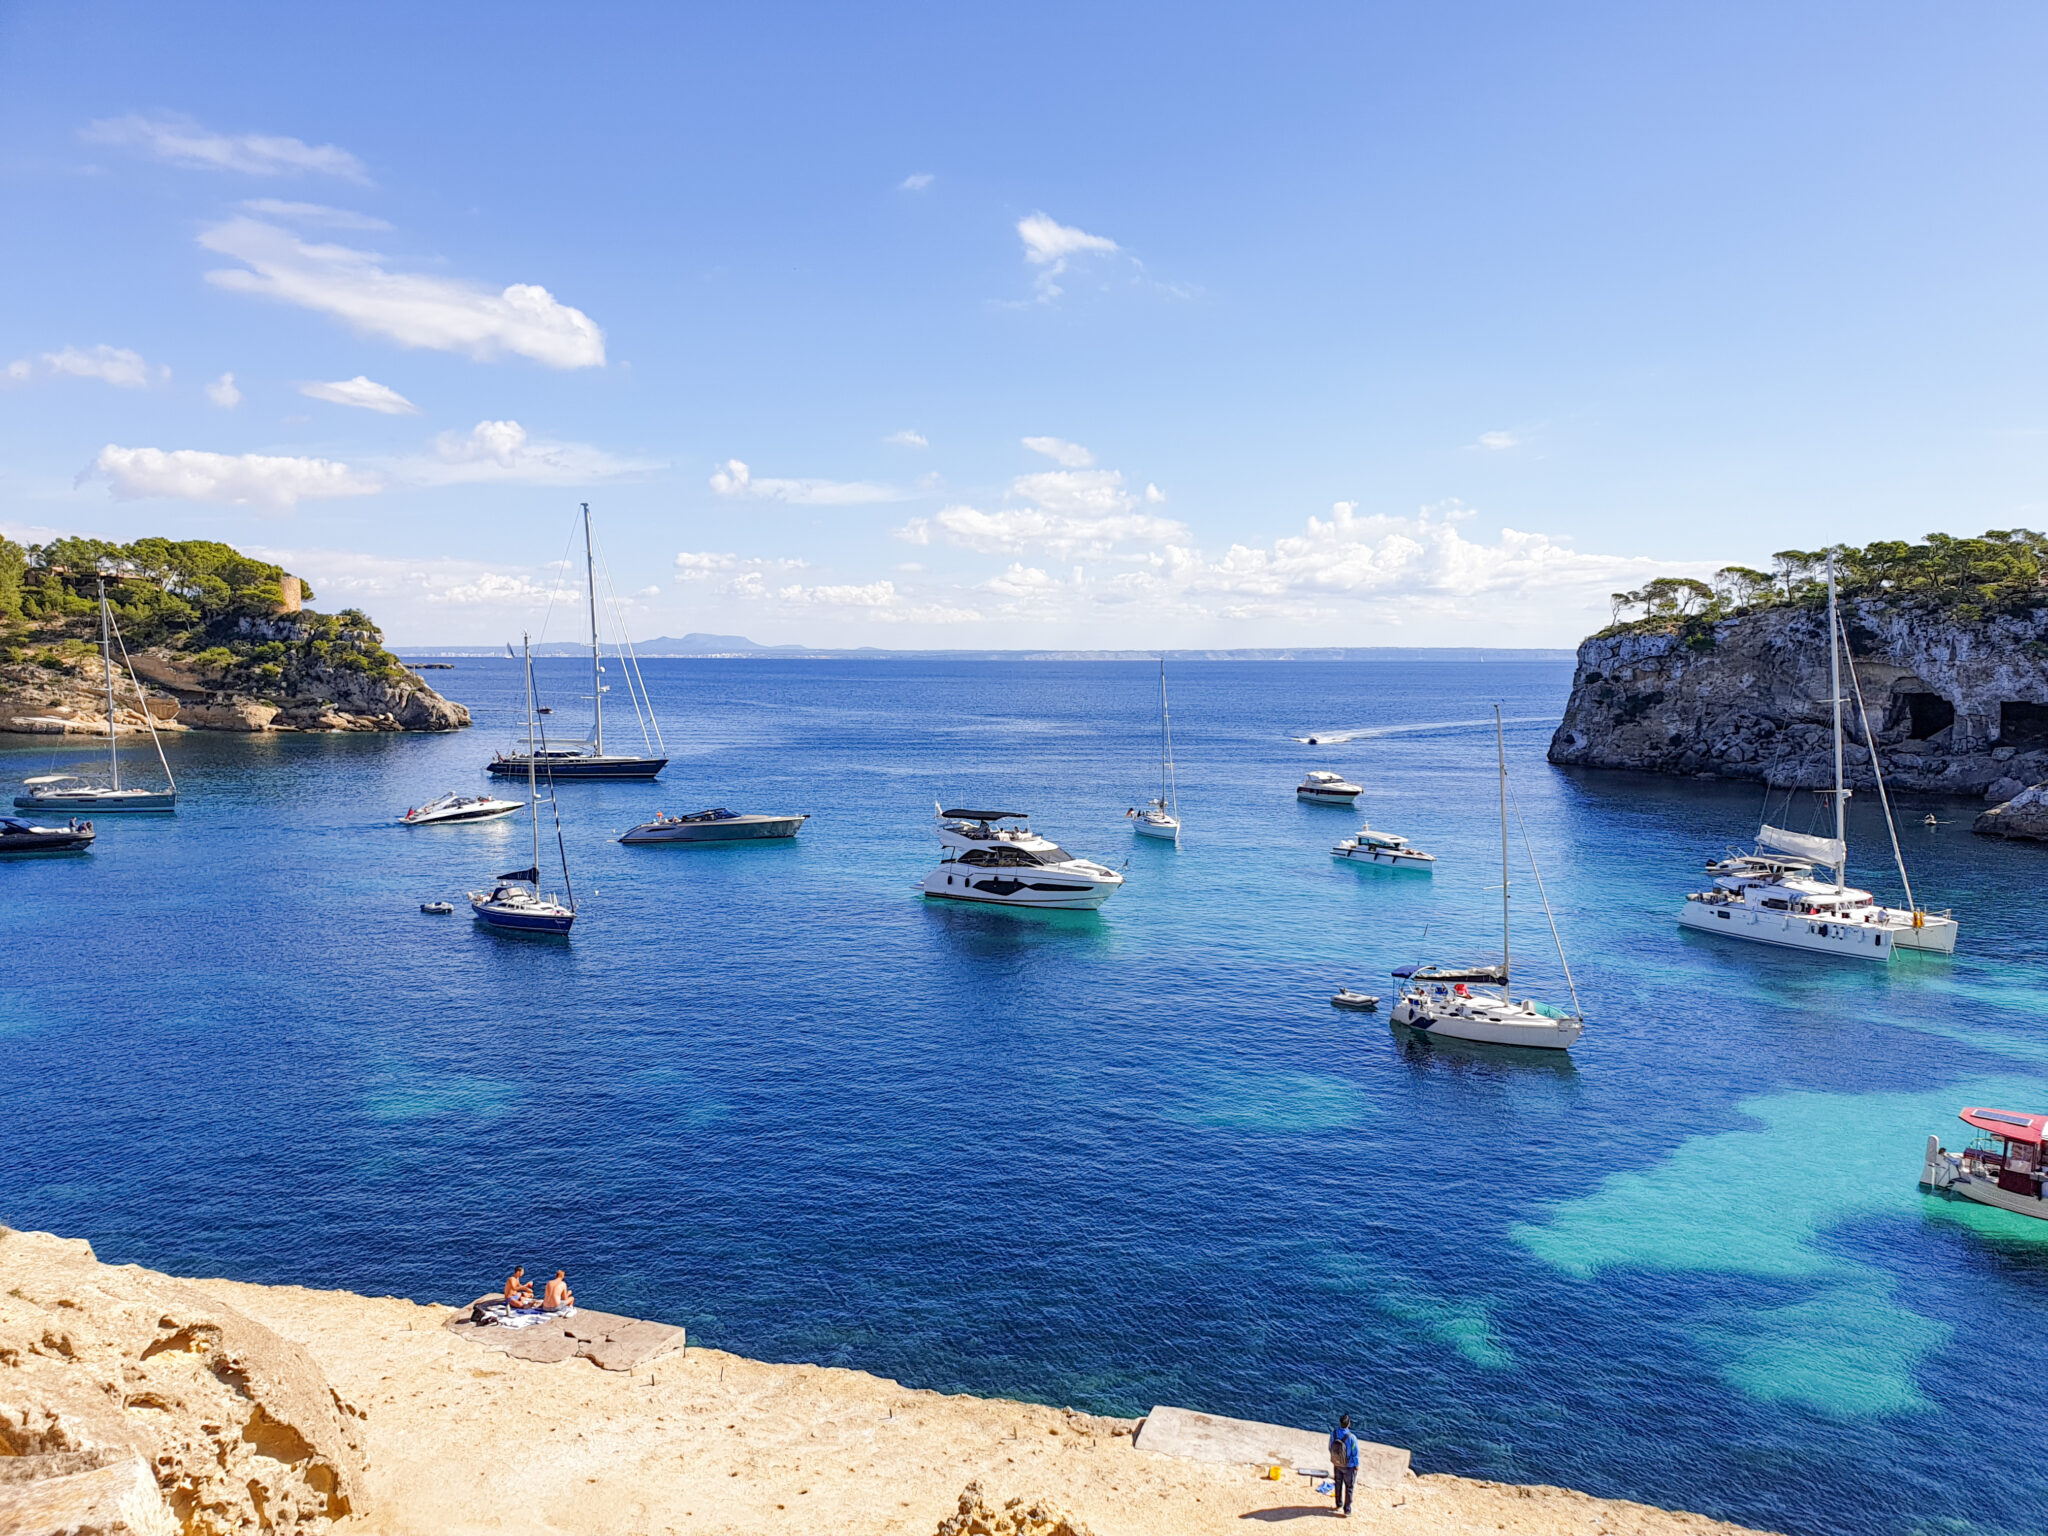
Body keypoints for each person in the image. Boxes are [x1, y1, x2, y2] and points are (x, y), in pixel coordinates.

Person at [1328, 1413, 1359, 1518]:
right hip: (1348, 1466)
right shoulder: (1352, 1437)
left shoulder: (1334, 1434)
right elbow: (1355, 1453)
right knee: (1349, 1487)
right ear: (1348, 1424)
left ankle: (1338, 1504)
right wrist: (1356, 1465)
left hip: (1337, 1464)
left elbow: (1330, 1447)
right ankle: (1347, 1510)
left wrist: (1336, 1459)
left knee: (1338, 1484)